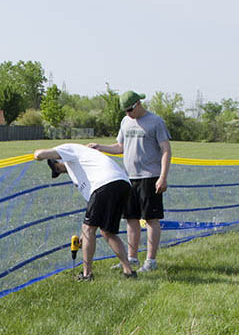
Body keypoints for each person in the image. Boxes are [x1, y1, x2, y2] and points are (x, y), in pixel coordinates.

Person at [89, 90, 171, 271]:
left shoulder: (155, 122)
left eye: (129, 110)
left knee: (151, 219)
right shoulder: (126, 122)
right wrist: (99, 147)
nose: (128, 114)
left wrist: (163, 177)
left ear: (138, 104)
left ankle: (151, 261)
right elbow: (120, 147)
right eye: (125, 111)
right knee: (131, 219)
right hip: (129, 178)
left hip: (150, 177)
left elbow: (166, 150)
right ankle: (131, 258)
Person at [33, 144, 137, 281]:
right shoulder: (82, 167)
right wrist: (85, 232)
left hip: (105, 184)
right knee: (107, 232)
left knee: (89, 229)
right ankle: (128, 271)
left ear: (59, 159)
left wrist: (36, 153)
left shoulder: (69, 149)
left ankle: (87, 275)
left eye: (57, 167)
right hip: (122, 184)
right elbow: (93, 203)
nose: (60, 170)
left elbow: (39, 155)